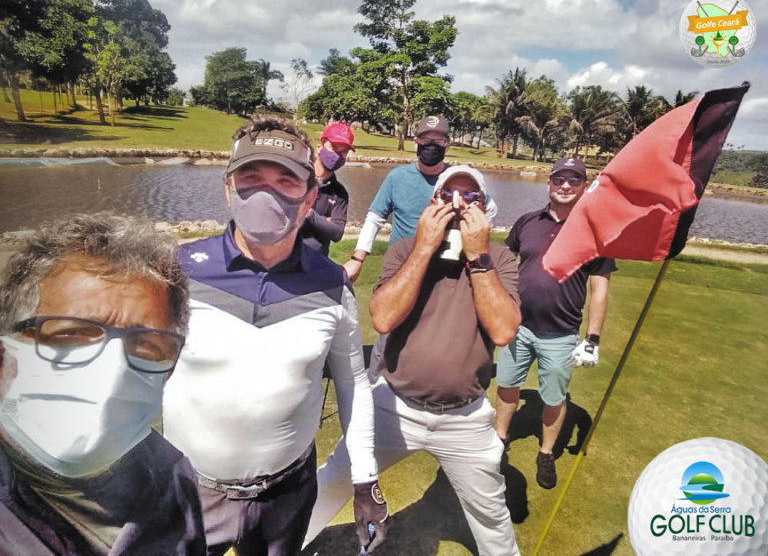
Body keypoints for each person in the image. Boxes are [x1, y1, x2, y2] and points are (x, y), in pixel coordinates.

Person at [161, 116, 388, 556]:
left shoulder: (332, 284)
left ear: (309, 200)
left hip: (288, 495)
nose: (266, 192)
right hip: (188, 493)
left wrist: (365, 477)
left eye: (286, 181)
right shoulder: (177, 272)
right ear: (229, 188)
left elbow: (352, 382)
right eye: (251, 176)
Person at [304, 165, 522, 556]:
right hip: (396, 405)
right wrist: (424, 248)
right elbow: (383, 316)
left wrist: (478, 256)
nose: (458, 205)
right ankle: (280, 544)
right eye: (447, 195)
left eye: (470, 197)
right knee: (336, 478)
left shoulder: (501, 258)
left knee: (491, 516)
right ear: (431, 204)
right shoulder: (406, 250)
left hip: (465, 418)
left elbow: (504, 331)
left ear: (485, 208)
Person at [0, 213, 206, 555]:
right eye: (71, 333)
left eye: (147, 345)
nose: (112, 373)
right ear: (6, 354)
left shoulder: (174, 475)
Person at [494, 157, 616, 490]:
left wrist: (592, 339)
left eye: (573, 181)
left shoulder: (595, 231)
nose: (565, 185)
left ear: (582, 187)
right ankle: (499, 439)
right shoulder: (527, 222)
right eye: (559, 179)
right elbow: (505, 262)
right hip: (518, 326)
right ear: (549, 183)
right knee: (506, 385)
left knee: (553, 397)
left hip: (560, 334)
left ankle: (546, 453)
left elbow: (600, 289)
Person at [343, 115, 452, 282]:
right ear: (416, 142)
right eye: (425, 140)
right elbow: (374, 219)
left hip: (442, 268)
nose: (432, 145)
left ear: (447, 145)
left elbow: (485, 214)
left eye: (438, 141)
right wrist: (357, 258)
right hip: (400, 264)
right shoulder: (397, 177)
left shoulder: (459, 179)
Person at [300, 122, 354, 256]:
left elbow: (336, 233)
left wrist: (309, 214)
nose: (337, 155)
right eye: (334, 148)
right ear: (320, 147)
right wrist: (324, 220)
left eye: (343, 152)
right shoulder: (297, 176)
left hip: (316, 265)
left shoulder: (340, 193)